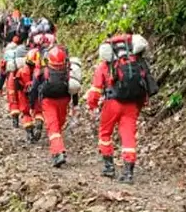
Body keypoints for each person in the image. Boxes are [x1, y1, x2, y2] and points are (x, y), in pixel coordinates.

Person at [85, 33, 158, 183]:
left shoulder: (107, 65)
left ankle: (109, 166)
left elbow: (95, 89)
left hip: (112, 103)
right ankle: (128, 171)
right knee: (128, 135)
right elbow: (146, 83)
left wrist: (92, 104)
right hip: (132, 104)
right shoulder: (138, 62)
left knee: (105, 133)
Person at [30, 43, 79, 167]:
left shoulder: (43, 70)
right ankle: (58, 147)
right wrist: (75, 105)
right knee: (59, 125)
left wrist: (32, 106)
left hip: (48, 101)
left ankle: (58, 153)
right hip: (64, 100)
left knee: (53, 127)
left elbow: (34, 88)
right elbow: (74, 87)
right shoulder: (68, 70)